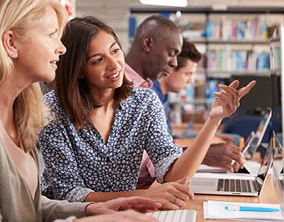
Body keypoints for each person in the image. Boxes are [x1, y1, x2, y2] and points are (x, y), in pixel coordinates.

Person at [0, 0, 160, 222]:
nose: (61, 49)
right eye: (51, 35)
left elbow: (27, 207)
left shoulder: (22, 111)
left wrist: (91, 210)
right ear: (11, 43)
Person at [38, 16, 256, 210]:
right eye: (98, 60)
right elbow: (69, 194)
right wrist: (144, 196)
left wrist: (214, 119)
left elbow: (173, 172)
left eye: (115, 51)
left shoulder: (144, 102)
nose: (114, 65)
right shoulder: (52, 111)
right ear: (79, 70)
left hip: (127, 216)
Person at [125, 15, 247, 189]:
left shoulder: (146, 89)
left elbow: (160, 156)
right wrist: (203, 153)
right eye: (171, 54)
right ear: (147, 44)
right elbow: (150, 163)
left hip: (147, 189)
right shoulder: (127, 89)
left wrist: (213, 123)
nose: (174, 63)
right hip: (134, 194)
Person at [152, 39, 245, 173]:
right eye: (187, 74)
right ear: (171, 67)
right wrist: (206, 143)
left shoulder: (164, 96)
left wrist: (207, 137)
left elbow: (170, 140)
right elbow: (163, 148)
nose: (190, 81)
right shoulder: (152, 98)